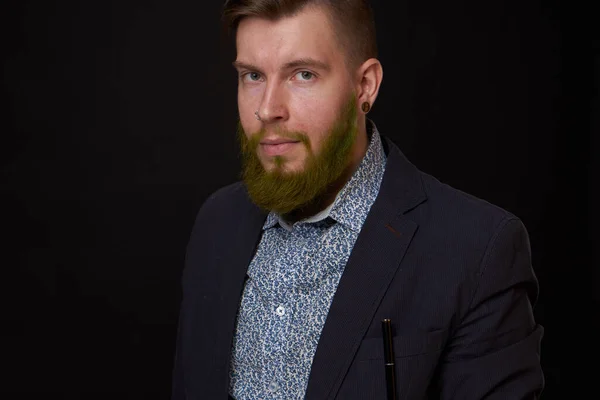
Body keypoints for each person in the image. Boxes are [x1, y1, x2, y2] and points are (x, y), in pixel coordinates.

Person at [171, 0, 545, 399]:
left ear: (365, 85)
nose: (267, 109)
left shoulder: (477, 250)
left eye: (303, 74)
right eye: (252, 76)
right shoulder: (216, 222)